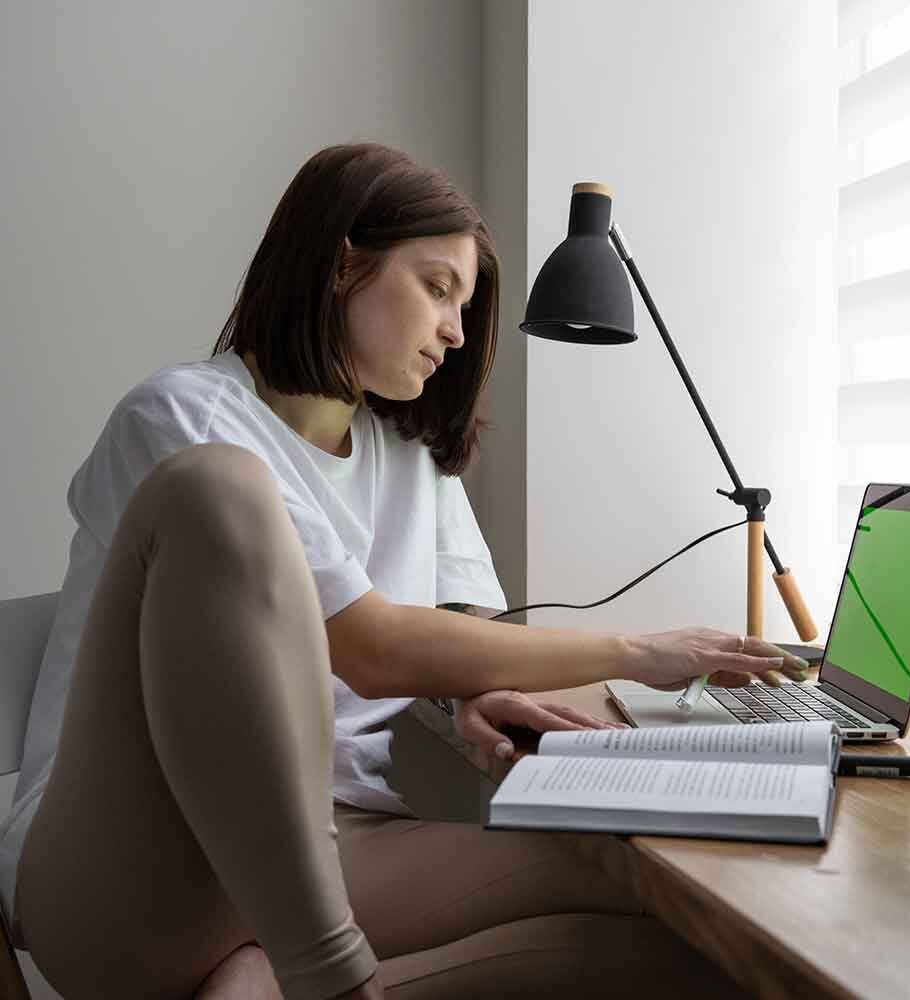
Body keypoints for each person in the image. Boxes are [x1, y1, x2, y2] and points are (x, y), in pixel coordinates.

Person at [0, 143, 809, 1000]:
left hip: (338, 845)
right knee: (218, 488)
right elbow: (371, 645)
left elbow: (460, 637)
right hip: (134, 867)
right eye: (437, 288)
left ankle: (262, 985)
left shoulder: (411, 458)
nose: (457, 332)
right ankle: (331, 979)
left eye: (463, 303)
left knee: (679, 913)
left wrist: (471, 692)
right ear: (342, 264)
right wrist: (640, 651)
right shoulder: (180, 415)